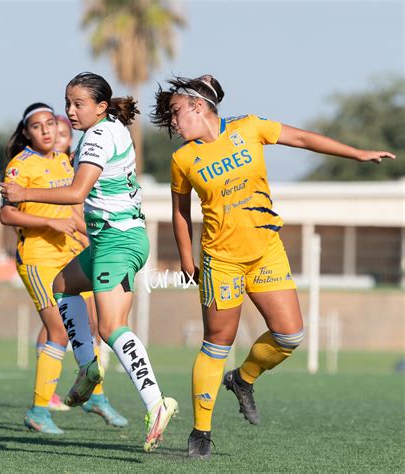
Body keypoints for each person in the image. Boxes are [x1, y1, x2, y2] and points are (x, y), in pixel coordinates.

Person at [150, 74, 396, 459]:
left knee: (289, 336)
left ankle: (243, 379)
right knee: (216, 344)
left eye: (177, 113)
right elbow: (179, 212)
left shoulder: (250, 127)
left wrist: (358, 153)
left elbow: (303, 138)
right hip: (222, 261)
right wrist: (186, 258)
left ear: (199, 106)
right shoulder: (183, 159)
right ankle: (201, 432)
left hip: (266, 250)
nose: (174, 123)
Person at [0, 72, 179, 452]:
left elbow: (77, 191)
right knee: (63, 286)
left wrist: (23, 192)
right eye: (67, 103)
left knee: (113, 328)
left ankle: (156, 402)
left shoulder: (98, 135)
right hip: (108, 239)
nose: (69, 111)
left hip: (118, 241)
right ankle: (87, 367)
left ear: (100, 107)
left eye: (77, 104)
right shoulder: (108, 126)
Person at [1, 103, 126, 434]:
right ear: (27, 132)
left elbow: (74, 212)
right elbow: (6, 215)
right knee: (58, 331)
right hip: (38, 260)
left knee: (88, 328)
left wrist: (93, 237)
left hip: (68, 256)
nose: (46, 130)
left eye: (49, 124)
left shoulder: (65, 161)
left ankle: (96, 397)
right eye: (37, 126)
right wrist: (48, 222)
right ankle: (38, 412)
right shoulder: (19, 166)